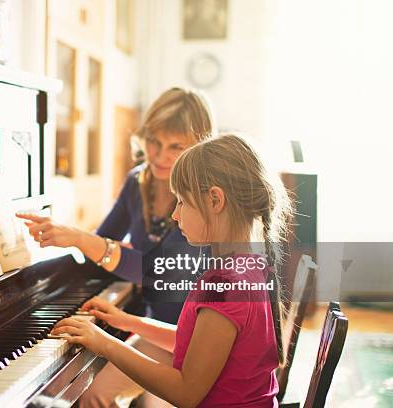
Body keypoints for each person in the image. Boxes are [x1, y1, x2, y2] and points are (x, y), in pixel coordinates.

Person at [51, 134, 292, 407]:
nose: (175, 215)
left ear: (215, 200)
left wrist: (105, 343)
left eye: (182, 202)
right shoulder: (248, 266)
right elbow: (196, 345)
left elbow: (185, 393)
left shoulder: (225, 284)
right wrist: (128, 321)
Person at [17, 88, 215, 407]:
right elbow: (103, 243)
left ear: (199, 146)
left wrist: (81, 238)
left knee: (111, 395)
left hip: (190, 336)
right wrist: (43, 280)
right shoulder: (138, 181)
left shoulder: (200, 202)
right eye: (154, 141)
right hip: (156, 328)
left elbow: (155, 273)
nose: (160, 156)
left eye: (175, 147)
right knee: (93, 390)